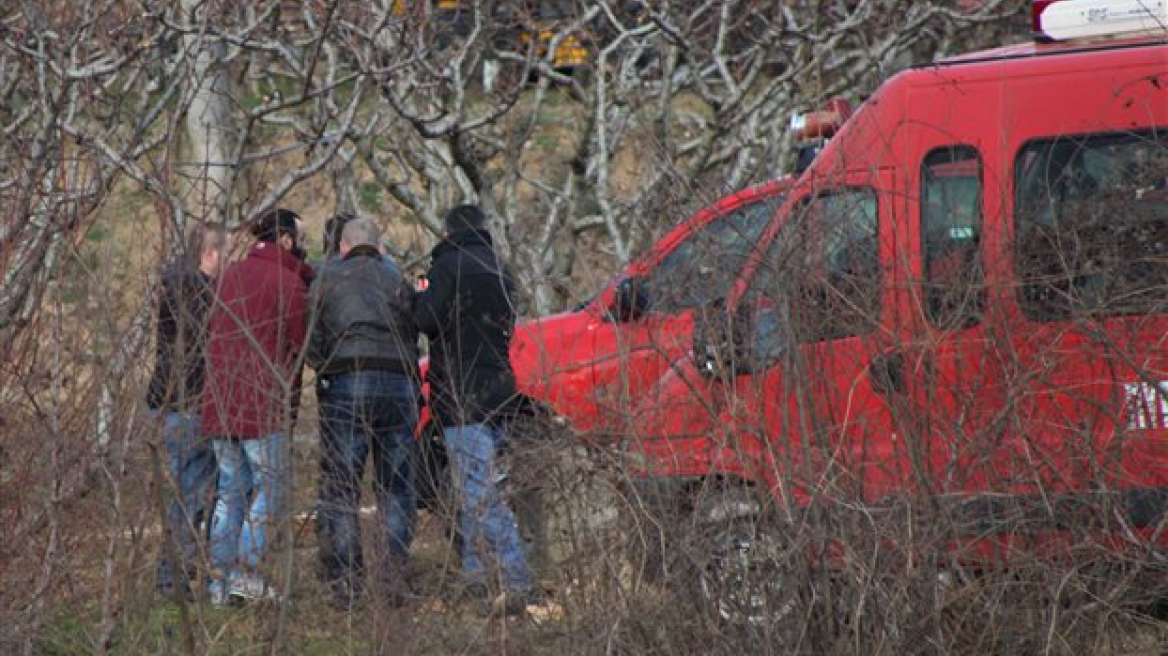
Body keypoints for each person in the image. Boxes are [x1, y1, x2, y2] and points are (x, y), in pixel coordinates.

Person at [413, 204, 535, 616]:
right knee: (475, 490)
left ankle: (516, 581)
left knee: (479, 495)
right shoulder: (500, 269)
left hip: (462, 396)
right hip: (500, 391)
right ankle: (476, 579)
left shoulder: (448, 266)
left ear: (449, 233)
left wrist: (417, 293)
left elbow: (426, 319)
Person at [307, 217, 422, 610]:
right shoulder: (397, 278)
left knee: (342, 488)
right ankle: (393, 578)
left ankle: (348, 585)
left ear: (342, 246)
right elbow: (415, 328)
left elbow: (311, 339)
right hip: (398, 383)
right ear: (380, 247)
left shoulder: (326, 277)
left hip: (347, 382)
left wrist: (327, 368)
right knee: (397, 487)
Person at [201, 208, 313, 604]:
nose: (304, 246)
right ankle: (244, 573)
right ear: (285, 240)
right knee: (271, 488)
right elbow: (303, 349)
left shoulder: (224, 278)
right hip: (262, 407)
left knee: (230, 491)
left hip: (219, 403)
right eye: (300, 237)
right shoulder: (289, 284)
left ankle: (219, 579)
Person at [148, 224, 228, 599]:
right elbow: (203, 346)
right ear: (210, 255)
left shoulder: (176, 286)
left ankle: (177, 571)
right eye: (223, 255)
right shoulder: (197, 294)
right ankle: (172, 577)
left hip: (170, 400)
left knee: (185, 491)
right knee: (191, 494)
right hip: (188, 402)